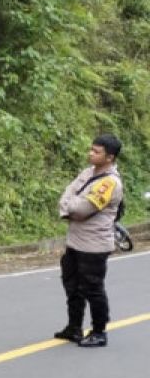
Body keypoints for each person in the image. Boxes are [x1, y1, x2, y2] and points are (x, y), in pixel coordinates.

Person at [54, 134, 124, 348]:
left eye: (96, 152)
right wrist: (70, 205)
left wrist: (70, 206)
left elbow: (83, 210)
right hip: (74, 241)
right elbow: (66, 195)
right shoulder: (87, 173)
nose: (90, 154)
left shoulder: (109, 183)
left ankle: (99, 331)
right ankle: (74, 327)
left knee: (93, 288)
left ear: (109, 157)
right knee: (72, 285)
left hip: (94, 245)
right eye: (91, 149)